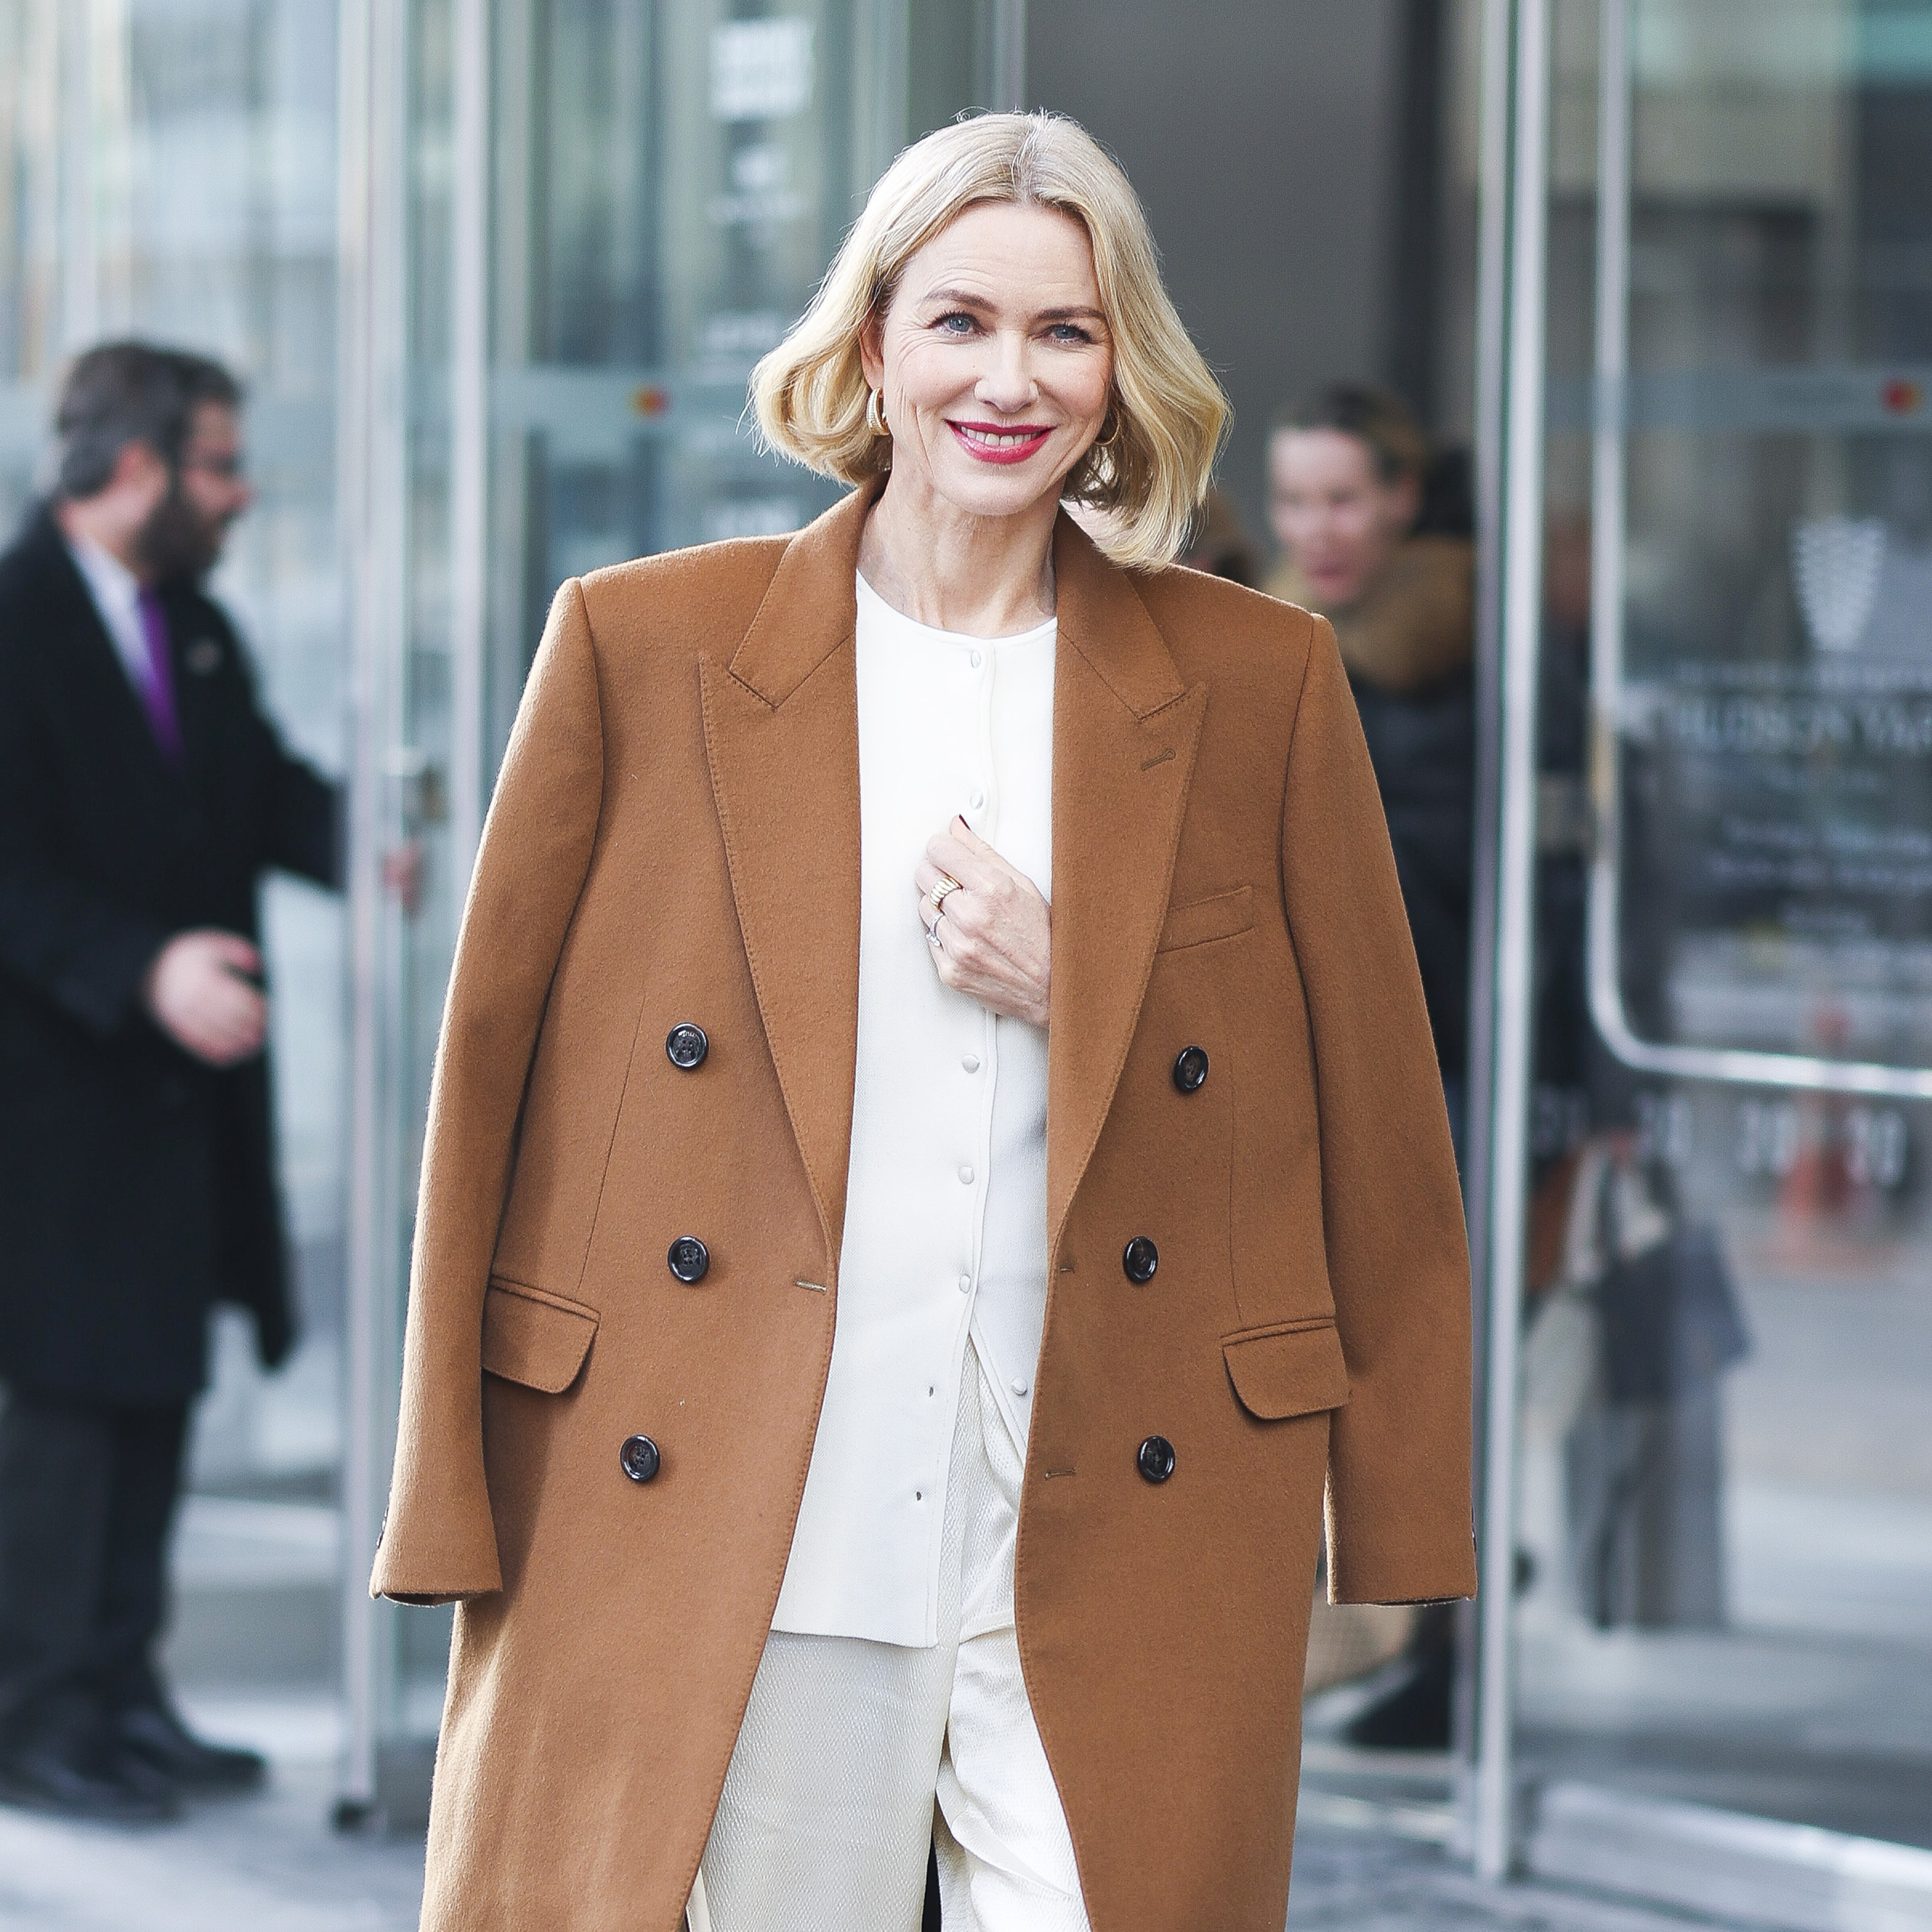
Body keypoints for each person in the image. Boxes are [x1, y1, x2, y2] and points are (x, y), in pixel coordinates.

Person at [373, 112, 1474, 1932]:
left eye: (1068, 330)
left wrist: (1085, 978)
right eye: (962, 320)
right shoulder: (641, 649)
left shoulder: (1257, 679)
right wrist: (446, 1494)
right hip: (754, 1512)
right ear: (872, 341)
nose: (1010, 379)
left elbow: (1367, 1109)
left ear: (1124, 371)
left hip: (1132, 1510)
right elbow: (484, 1088)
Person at [0, 343, 341, 1819]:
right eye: (215, 463)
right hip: (57, 1106)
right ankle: (35, 1714)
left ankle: (123, 1691)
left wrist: (402, 836)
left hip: (179, 1112)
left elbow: (264, 792)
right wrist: (142, 969)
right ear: (131, 469)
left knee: (155, 1392)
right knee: (70, 1413)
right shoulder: (12, 626)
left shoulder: (188, 623)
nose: (239, 490)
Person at [1266, 383, 1477, 1750]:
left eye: (1346, 497)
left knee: (1425, 1375)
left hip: (1451, 1073)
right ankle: (1398, 1648)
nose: (1320, 528)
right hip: (1316, 1083)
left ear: (1403, 500)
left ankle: (1446, 1662)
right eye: (1295, 499)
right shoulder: (1276, 640)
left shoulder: (1456, 656)